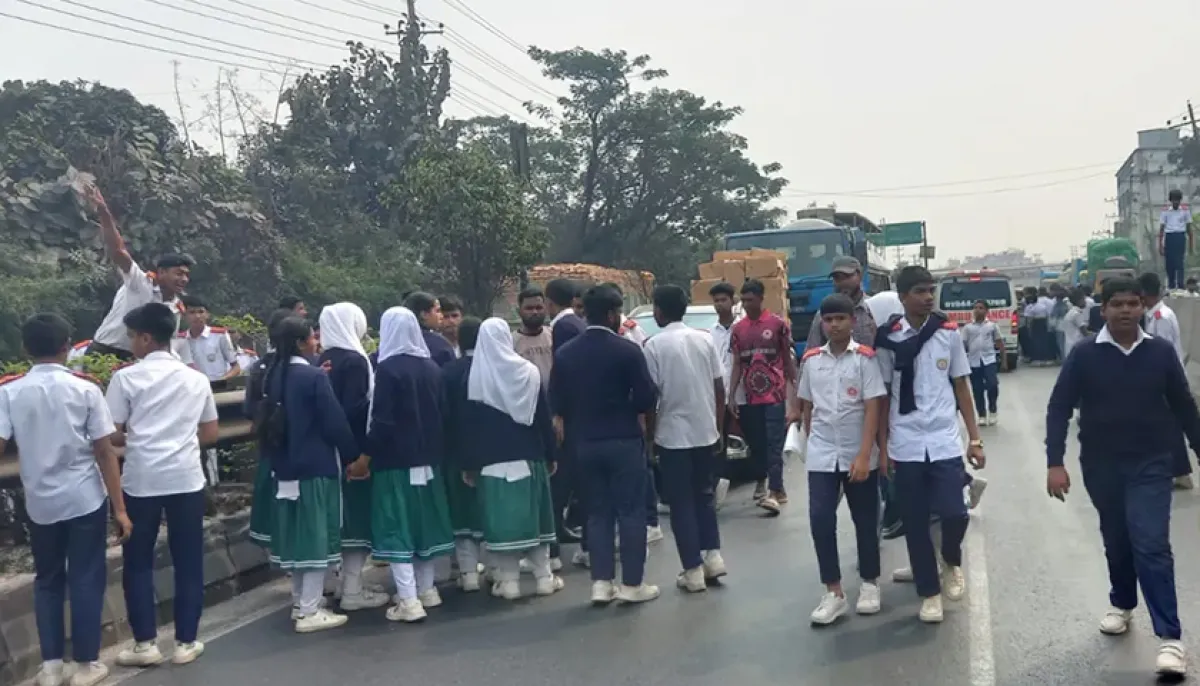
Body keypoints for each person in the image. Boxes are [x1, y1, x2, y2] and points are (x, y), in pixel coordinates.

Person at [1045, 277, 1200, 678]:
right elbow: (1059, 407)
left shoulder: (1160, 353)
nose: (1127, 311)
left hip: (1151, 463)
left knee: (1150, 542)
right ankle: (1122, 601)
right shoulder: (1084, 355)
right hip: (1101, 465)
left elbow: (1184, 406)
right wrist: (1054, 462)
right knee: (1117, 538)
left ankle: (1170, 639)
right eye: (1118, 304)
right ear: (1104, 308)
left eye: (1134, 303)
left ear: (1143, 308)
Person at [0, 314, 130, 686]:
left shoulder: (8, 391)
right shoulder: (86, 388)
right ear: (68, 346)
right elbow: (105, 453)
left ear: (25, 349)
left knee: (47, 580)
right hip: (84, 497)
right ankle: (87, 663)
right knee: (87, 577)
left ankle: (52, 666)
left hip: (39, 501)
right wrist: (120, 509)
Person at [106, 303, 219, 666]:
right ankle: (186, 642)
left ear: (145, 337)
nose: (130, 344)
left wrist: (139, 440)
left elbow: (113, 434)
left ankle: (145, 644)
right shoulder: (196, 378)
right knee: (188, 560)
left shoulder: (126, 378)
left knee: (137, 561)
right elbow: (211, 431)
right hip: (186, 478)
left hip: (141, 480)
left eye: (131, 337)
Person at [874, 266, 986, 624]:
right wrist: (881, 448)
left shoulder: (948, 333)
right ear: (903, 296)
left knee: (955, 512)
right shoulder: (886, 339)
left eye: (930, 291)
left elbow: (961, 386)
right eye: (920, 291)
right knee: (916, 522)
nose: (927, 297)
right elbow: (880, 396)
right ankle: (929, 593)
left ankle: (951, 561)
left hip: (943, 440)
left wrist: (975, 438)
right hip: (905, 442)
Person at [551, 285, 659, 605]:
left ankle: (600, 582)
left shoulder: (566, 353)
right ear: (612, 315)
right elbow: (645, 398)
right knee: (630, 512)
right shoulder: (627, 351)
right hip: (623, 440)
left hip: (583, 442)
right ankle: (632, 583)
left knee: (596, 513)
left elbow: (556, 402)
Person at [449, 318, 564, 600]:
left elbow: (466, 428)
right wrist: (551, 454)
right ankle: (544, 578)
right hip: (529, 456)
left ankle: (509, 583)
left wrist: (468, 464)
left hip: (490, 463)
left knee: (500, 526)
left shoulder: (474, 378)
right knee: (537, 522)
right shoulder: (528, 372)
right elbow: (541, 420)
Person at [256, 316, 358, 633]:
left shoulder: (270, 377)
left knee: (296, 538)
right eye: (313, 338)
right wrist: (354, 455)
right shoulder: (313, 377)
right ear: (302, 342)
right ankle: (310, 611)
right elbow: (334, 422)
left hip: (283, 469)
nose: (317, 343)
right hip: (315, 467)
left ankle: (301, 602)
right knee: (315, 538)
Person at [797, 294, 887, 624]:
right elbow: (807, 406)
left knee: (865, 520)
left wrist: (866, 455)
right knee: (820, 520)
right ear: (822, 323)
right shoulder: (810, 361)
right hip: (822, 455)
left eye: (841, 319)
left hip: (857, 453)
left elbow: (873, 407)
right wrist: (809, 444)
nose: (834, 325)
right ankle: (833, 591)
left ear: (853, 321)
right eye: (829, 319)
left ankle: (869, 583)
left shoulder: (865, 360)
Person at [367, 307, 456, 623]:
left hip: (395, 462)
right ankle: (427, 589)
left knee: (397, 529)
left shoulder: (388, 369)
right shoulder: (431, 367)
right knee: (423, 525)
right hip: (430, 459)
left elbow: (383, 421)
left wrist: (366, 454)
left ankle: (408, 600)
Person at [643, 285, 727, 593]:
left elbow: (650, 398)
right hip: (705, 430)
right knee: (705, 494)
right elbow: (720, 388)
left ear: (659, 311)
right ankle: (713, 555)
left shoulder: (653, 346)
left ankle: (692, 568)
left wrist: (650, 436)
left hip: (672, 434)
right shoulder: (705, 339)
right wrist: (718, 426)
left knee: (680, 503)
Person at [316, 303, 391, 611]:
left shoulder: (322, 360)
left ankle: (331, 585)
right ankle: (352, 589)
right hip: (352, 452)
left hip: (324, 451)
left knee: (335, 520)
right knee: (355, 522)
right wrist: (358, 455)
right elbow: (355, 410)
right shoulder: (356, 361)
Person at [83, 185, 192, 362]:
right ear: (162, 272)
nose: (184, 279)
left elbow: (167, 342)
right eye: (178, 273)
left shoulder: (175, 307)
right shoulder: (140, 282)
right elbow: (118, 251)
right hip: (105, 352)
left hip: (139, 360)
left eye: (186, 275)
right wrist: (104, 213)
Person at [728, 278, 795, 514]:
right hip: (750, 397)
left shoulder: (778, 325)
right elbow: (737, 363)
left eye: (750, 299)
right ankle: (767, 483)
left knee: (773, 443)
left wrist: (795, 390)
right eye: (743, 300)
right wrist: (731, 395)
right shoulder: (738, 330)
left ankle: (775, 490)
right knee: (757, 445)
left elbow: (787, 359)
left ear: (761, 298)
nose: (746, 304)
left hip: (774, 396)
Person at [242, 308, 298, 552]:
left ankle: (280, 556)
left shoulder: (260, 367)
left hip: (270, 447)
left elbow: (248, 408)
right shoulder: (308, 367)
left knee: (273, 502)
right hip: (302, 451)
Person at [441, 316, 488, 591]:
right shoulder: (494, 370)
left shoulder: (448, 372)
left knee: (461, 515)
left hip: (454, 453)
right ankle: (497, 570)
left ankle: (468, 574)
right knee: (487, 511)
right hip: (491, 453)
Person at [544, 277, 587, 565]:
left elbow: (562, 371)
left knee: (561, 480)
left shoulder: (562, 327)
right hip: (584, 414)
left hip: (571, 415)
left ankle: (554, 543)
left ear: (549, 301)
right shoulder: (578, 324)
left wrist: (557, 411)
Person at [1138, 272, 1193, 489]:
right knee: (1170, 428)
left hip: (1166, 381)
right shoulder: (1156, 315)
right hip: (1168, 378)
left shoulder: (1160, 317)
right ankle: (1179, 472)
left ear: (1143, 294)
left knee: (1169, 428)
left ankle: (1179, 472)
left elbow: (1160, 354)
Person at [707, 281, 741, 509]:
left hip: (742, 394)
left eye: (724, 300)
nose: (720, 305)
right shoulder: (710, 333)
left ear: (733, 301)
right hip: (718, 395)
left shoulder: (743, 327)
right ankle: (718, 486)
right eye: (716, 301)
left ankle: (764, 482)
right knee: (718, 441)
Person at [803, 257, 878, 352]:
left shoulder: (873, 309)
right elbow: (812, 351)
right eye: (837, 278)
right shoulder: (824, 314)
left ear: (859, 275)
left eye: (847, 277)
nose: (843, 282)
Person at [960, 299, 1005, 427]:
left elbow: (999, 343)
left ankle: (993, 410)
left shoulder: (992, 326)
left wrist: (1004, 361)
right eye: (975, 307)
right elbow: (962, 346)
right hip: (974, 361)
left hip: (989, 359)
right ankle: (981, 414)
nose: (977, 310)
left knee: (992, 385)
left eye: (980, 308)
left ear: (986, 311)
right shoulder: (968, 327)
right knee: (977, 389)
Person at [176, 296, 239, 382]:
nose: (197, 316)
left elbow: (236, 367)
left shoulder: (219, 335)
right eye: (192, 312)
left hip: (218, 389)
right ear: (184, 316)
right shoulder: (179, 340)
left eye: (201, 312)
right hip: (192, 390)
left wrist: (222, 381)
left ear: (207, 314)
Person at [403, 292, 457, 367]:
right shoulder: (439, 344)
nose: (441, 316)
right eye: (437, 311)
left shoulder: (393, 343)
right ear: (424, 314)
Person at [514, 286, 553, 388]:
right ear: (519, 311)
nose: (535, 312)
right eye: (529, 308)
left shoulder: (553, 335)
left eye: (538, 308)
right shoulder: (511, 342)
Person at [1160, 189, 1193, 291]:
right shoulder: (1165, 211)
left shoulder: (1185, 210)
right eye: (1174, 200)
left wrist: (1191, 246)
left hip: (1180, 237)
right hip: (1169, 237)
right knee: (1169, 263)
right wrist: (1160, 245)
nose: (1176, 202)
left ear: (1180, 200)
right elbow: (1161, 229)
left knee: (1179, 262)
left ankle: (1180, 284)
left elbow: (1189, 230)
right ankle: (1171, 285)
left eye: (1177, 200)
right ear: (1171, 200)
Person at [1061, 288, 1089, 358]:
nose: (1085, 302)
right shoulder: (1077, 314)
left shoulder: (1070, 312)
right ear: (1079, 301)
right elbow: (1085, 332)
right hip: (1077, 345)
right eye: (1084, 299)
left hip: (1069, 345)